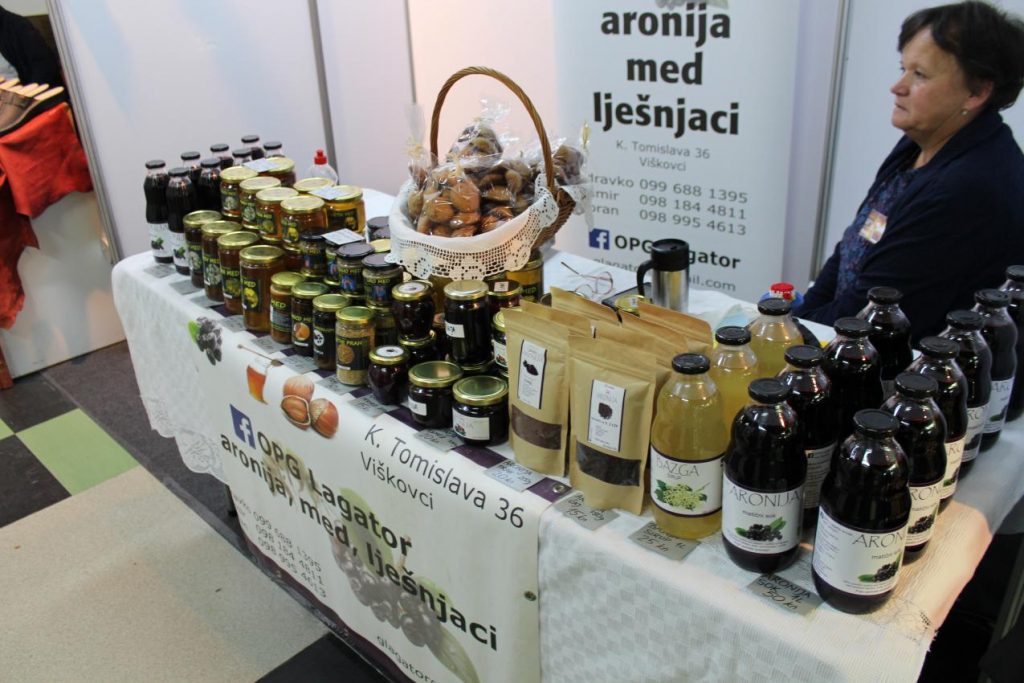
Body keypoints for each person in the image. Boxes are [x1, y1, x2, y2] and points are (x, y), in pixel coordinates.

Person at [795, 1, 1024, 341]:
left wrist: (796, 334)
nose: (897, 86)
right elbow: (855, 241)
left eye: (919, 75)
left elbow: (874, 316)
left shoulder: (966, 188)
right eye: (903, 68)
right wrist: (799, 319)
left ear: (977, 92)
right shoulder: (921, 143)